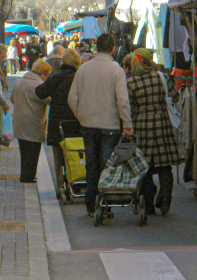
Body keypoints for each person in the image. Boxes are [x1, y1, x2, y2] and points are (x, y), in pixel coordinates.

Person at [68, 34, 133, 217]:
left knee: (91, 164)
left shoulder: (83, 69)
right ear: (113, 49)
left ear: (96, 48)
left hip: (87, 125)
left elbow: (72, 98)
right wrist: (127, 123)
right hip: (110, 126)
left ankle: (90, 205)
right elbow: (123, 100)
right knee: (106, 166)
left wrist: (81, 116)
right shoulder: (116, 70)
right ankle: (105, 205)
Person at [127, 48, 180, 216]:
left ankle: (148, 203)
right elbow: (175, 97)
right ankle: (165, 196)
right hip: (162, 122)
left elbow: (128, 107)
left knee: (145, 167)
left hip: (142, 125)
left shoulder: (131, 83)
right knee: (165, 165)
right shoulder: (162, 77)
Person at [36, 49, 81, 196]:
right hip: (76, 122)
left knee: (58, 155)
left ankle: (60, 185)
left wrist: (52, 99)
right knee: (76, 152)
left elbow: (40, 92)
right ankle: (77, 180)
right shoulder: (79, 78)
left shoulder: (56, 77)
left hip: (57, 123)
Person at [11, 60, 52, 183]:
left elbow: (12, 98)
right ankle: (28, 177)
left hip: (19, 121)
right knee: (33, 151)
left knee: (24, 150)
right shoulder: (38, 85)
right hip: (33, 121)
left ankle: (25, 175)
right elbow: (48, 100)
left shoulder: (19, 81)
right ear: (43, 74)